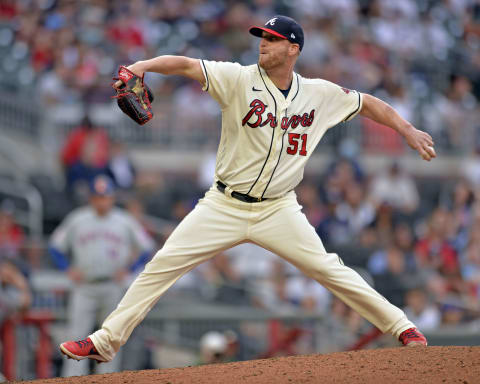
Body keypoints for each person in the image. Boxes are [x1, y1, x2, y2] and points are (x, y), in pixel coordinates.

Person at [60, 15, 435, 364]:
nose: (263, 44)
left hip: (278, 209)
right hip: (224, 204)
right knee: (162, 264)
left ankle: (403, 327)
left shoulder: (319, 94)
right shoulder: (238, 78)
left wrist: (407, 130)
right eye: (262, 38)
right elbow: (188, 65)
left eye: (273, 40)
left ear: (294, 49)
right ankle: (105, 341)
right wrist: (142, 66)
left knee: (328, 268)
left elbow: (368, 103)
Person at [50, 175, 154, 376]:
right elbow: (55, 247)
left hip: (112, 286)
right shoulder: (77, 219)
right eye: (98, 197)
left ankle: (108, 379)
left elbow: (146, 247)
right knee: (76, 336)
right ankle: (72, 379)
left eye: (105, 196)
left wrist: (130, 269)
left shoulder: (125, 221)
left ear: (112, 197)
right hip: (85, 286)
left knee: (110, 339)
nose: (102, 201)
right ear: (91, 198)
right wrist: (67, 268)